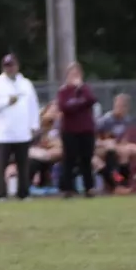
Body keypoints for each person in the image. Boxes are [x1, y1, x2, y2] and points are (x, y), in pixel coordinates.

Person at [0, 54, 40, 200]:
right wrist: (6, 101)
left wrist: (34, 125)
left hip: (22, 132)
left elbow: (33, 106)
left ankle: (24, 193)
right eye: (7, 66)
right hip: (4, 133)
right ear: (3, 68)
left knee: (23, 165)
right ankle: (1, 193)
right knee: (1, 166)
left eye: (12, 65)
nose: (10, 68)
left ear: (17, 66)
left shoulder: (26, 84)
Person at [56, 62, 98, 198]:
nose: (74, 77)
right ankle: (68, 188)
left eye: (77, 74)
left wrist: (81, 89)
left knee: (86, 159)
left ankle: (89, 187)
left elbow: (91, 100)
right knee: (69, 160)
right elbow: (65, 107)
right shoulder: (63, 91)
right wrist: (80, 102)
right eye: (72, 74)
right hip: (70, 130)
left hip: (86, 129)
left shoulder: (85, 89)